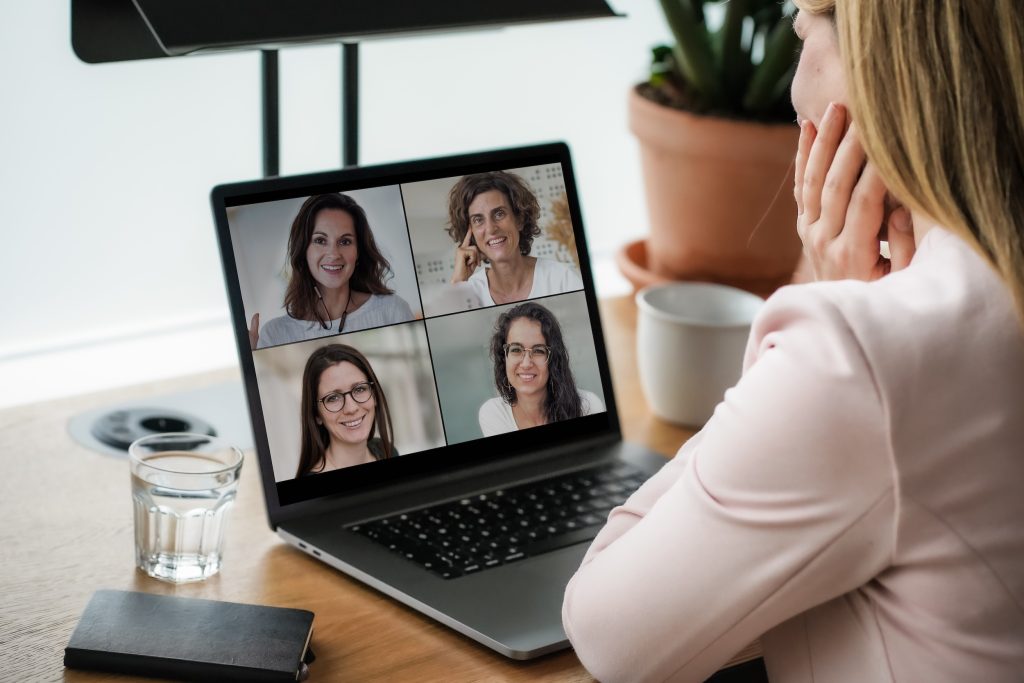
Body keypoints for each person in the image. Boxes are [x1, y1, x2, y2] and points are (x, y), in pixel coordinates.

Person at [563, 2, 1024, 682]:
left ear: (881, 74)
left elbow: (605, 631)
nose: (793, 88)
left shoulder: (864, 356)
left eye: (806, 29)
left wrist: (830, 298)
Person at [251, 193, 414, 349]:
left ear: (358, 252)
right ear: (303, 251)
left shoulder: (393, 310)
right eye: (320, 240)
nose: (334, 254)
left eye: (345, 241)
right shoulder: (274, 334)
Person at [446, 171, 583, 307]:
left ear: (520, 219)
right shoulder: (468, 292)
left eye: (499, 214)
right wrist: (458, 281)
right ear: (471, 233)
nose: (491, 229)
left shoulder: (560, 278)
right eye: (478, 220)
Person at [479, 302, 603, 436]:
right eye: (516, 349)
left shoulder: (588, 406)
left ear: (553, 359)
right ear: (504, 357)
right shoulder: (493, 413)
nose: (526, 364)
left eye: (538, 350)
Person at [295, 344, 396, 477]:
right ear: (316, 415)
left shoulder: (386, 450)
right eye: (333, 398)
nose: (351, 408)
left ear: (374, 395)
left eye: (359, 389)